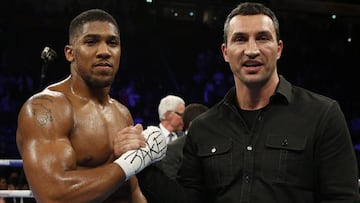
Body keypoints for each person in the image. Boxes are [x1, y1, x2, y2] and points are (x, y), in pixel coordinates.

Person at [136, 2, 360, 203]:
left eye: (262, 38)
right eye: (240, 39)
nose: (252, 50)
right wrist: (140, 163)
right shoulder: (204, 127)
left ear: (279, 49)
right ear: (225, 52)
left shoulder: (323, 115)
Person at [16, 9, 166, 203]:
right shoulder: (46, 107)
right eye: (91, 42)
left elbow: (132, 191)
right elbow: (53, 195)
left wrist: (134, 163)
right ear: (70, 53)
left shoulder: (122, 113)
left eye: (112, 43)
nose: (104, 51)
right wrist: (134, 161)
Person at [161, 103, 208, 179]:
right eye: (206, 124)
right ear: (192, 125)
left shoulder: (212, 145)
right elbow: (169, 182)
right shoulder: (173, 149)